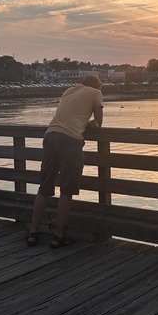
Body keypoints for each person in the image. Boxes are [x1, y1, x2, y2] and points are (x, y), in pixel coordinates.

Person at [26, 74, 103, 248]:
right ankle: (59, 235)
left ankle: (33, 232)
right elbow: (99, 122)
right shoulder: (95, 93)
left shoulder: (69, 90)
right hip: (69, 139)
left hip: (50, 135)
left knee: (44, 188)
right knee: (67, 190)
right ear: (99, 86)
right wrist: (93, 124)